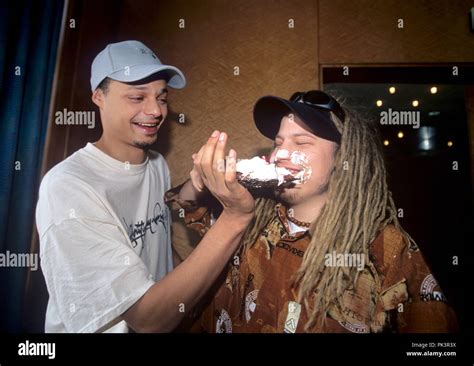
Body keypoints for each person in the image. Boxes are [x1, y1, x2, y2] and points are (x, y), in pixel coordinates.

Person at [170, 90, 459, 333]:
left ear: (342, 158)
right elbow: (186, 205)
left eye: (302, 142)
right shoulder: (247, 214)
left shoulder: (387, 248)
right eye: (279, 142)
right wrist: (200, 180)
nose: (282, 154)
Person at [36, 40, 255, 333]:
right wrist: (235, 218)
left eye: (162, 98)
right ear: (98, 97)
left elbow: (156, 244)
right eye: (137, 97)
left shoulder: (155, 164)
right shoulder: (68, 187)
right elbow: (148, 319)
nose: (155, 111)